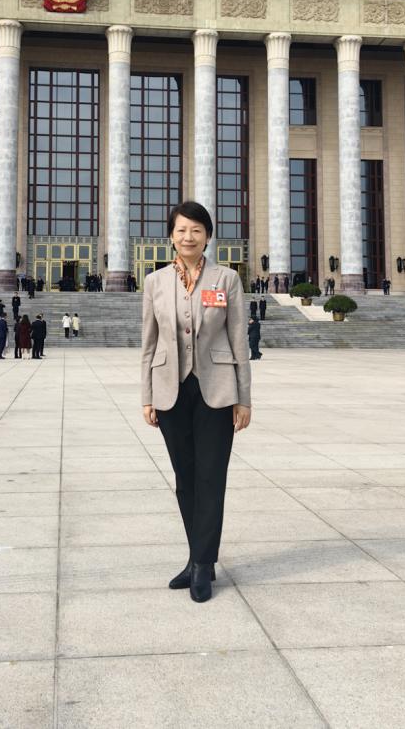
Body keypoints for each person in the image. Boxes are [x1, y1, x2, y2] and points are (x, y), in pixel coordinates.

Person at [142, 200, 251, 604]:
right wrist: (146, 397)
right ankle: (195, 558)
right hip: (170, 390)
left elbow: (239, 340)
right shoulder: (154, 282)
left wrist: (244, 398)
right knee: (185, 479)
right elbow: (148, 343)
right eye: (181, 230)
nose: (188, 237)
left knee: (211, 477)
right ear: (171, 236)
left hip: (216, 390)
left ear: (207, 236)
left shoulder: (226, 279)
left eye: (196, 230)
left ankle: (204, 564)